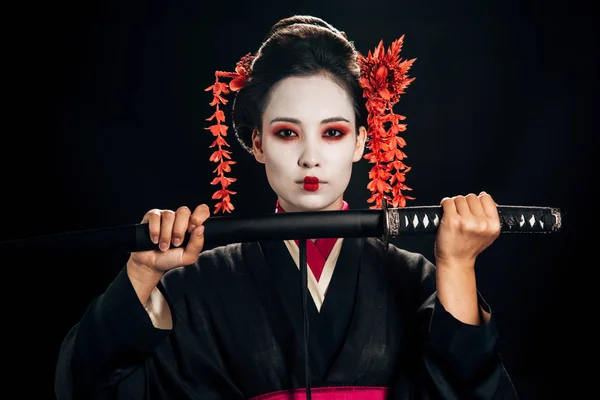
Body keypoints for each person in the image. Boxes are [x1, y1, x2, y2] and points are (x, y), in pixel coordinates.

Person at [55, 15, 520, 399]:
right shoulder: (197, 286)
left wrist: (457, 266)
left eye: (333, 132)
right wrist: (141, 274)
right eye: (286, 132)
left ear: (361, 141)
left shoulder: (416, 281)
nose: (310, 157)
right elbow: (89, 386)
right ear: (256, 143)